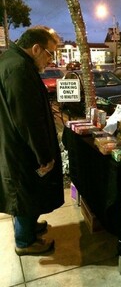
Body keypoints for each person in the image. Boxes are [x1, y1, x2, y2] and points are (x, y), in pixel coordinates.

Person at [0, 26, 64, 256]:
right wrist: (43, 154)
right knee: (25, 191)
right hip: (21, 149)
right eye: (50, 53)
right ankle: (24, 241)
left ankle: (27, 227)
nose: (51, 59)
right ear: (36, 48)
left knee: (28, 192)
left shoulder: (14, 61)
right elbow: (27, 119)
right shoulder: (18, 69)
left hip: (16, 145)